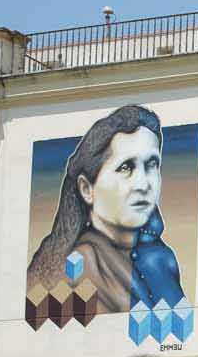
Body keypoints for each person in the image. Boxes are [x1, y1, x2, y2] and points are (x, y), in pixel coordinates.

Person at [26, 104, 186, 328]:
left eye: (152, 165)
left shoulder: (160, 259)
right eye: (126, 167)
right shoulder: (78, 267)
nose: (143, 184)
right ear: (86, 189)